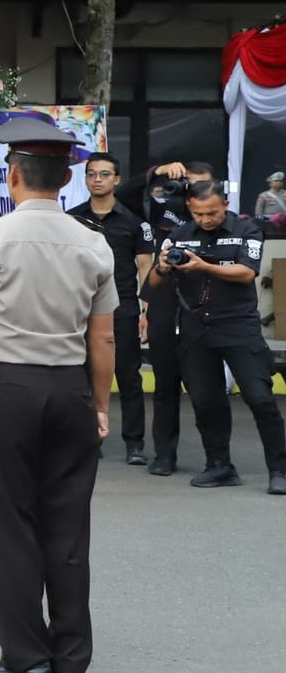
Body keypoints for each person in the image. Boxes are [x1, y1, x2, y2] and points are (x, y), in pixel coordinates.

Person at [0, 117, 117, 673]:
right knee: (68, 525)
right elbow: (104, 338)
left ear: (12, 176)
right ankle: (70, 663)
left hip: (7, 388)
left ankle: (25, 658)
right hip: (68, 388)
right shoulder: (93, 241)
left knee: (6, 523)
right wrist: (98, 404)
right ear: (66, 178)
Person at [147, 180, 286, 495]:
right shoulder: (181, 234)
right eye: (198, 214)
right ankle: (220, 466)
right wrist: (165, 266)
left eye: (211, 212)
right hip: (196, 329)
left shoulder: (246, 230)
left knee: (260, 398)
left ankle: (279, 469)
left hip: (238, 327)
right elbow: (154, 281)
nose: (205, 220)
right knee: (206, 402)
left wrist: (203, 266)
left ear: (224, 204)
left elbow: (247, 272)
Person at [68, 152, 155, 465]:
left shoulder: (134, 223)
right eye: (92, 174)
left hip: (123, 309)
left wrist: (146, 312)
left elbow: (146, 269)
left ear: (117, 179)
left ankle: (135, 444)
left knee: (129, 377)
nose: (97, 180)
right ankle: (88, 439)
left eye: (104, 174)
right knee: (82, 377)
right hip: (80, 311)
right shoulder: (73, 219)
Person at [131, 160, 213, 475]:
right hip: (164, 309)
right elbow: (126, 195)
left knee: (205, 391)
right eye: (192, 186)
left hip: (204, 313)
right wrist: (158, 173)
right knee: (164, 389)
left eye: (204, 187)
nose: (198, 193)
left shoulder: (223, 224)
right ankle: (164, 456)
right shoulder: (166, 216)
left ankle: (216, 460)